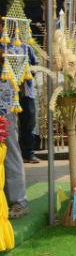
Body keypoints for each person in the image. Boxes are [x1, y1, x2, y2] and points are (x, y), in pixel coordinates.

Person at [1, 44, 27, 219]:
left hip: (5, 107)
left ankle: (18, 202)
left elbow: (18, 67)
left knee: (10, 153)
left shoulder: (16, 44)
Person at [16, 43, 39, 164]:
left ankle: (28, 153)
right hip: (9, 94)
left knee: (29, 123)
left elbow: (36, 65)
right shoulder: (3, 45)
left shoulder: (26, 47)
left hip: (26, 92)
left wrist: (32, 71)